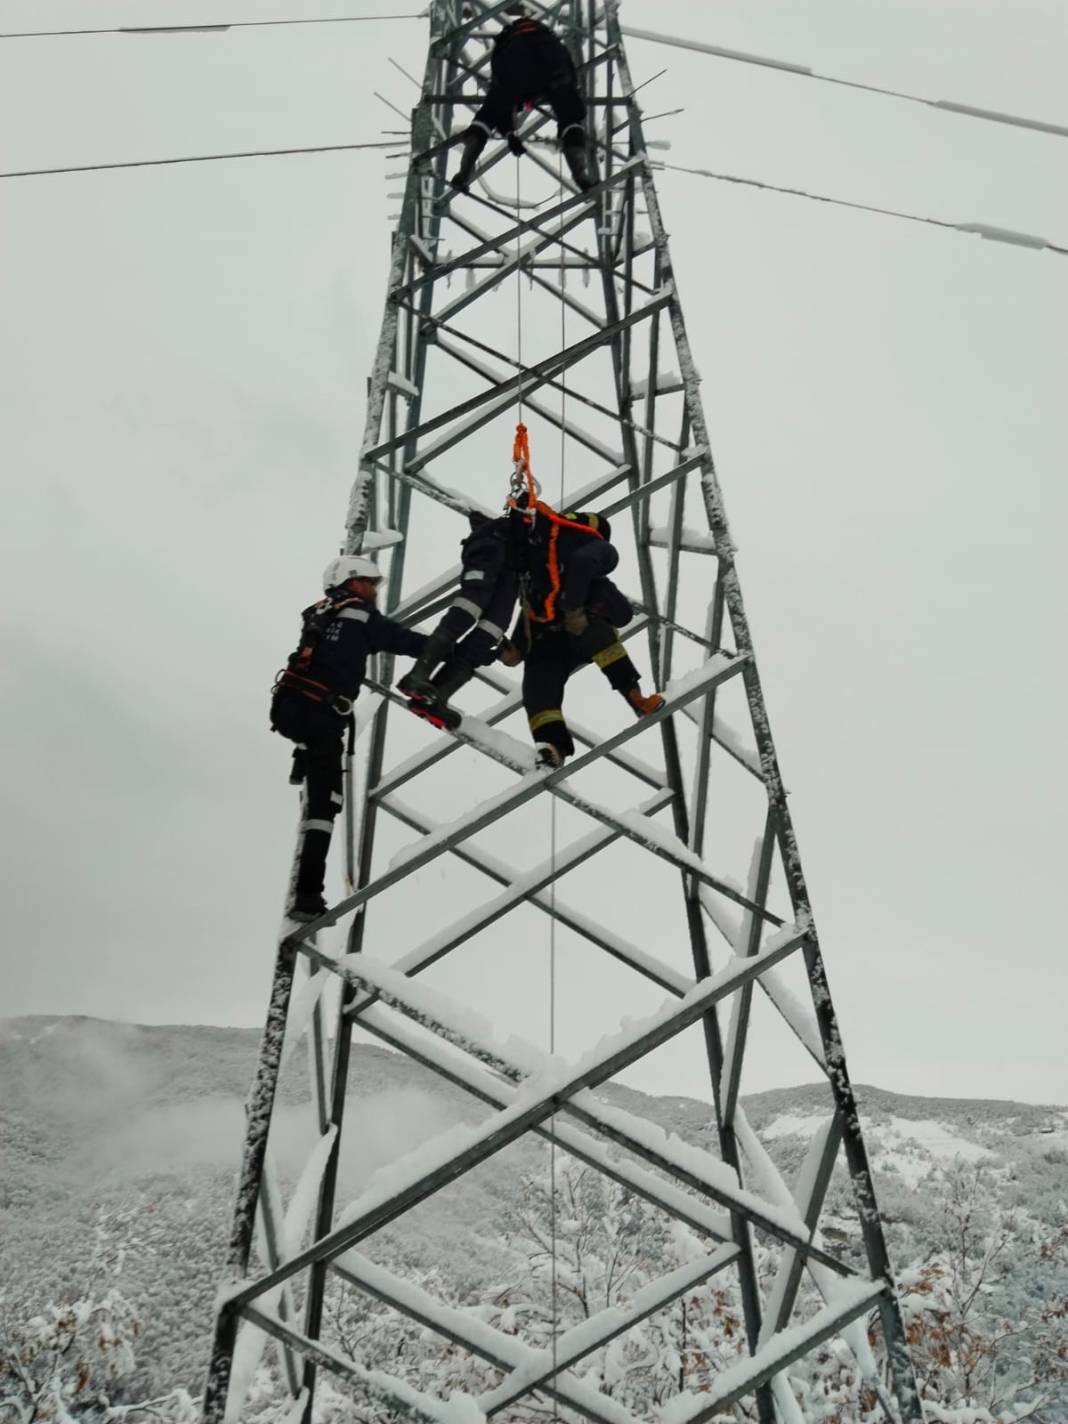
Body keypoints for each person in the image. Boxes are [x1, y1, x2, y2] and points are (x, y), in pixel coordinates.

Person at [270, 555, 428, 921]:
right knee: (325, 806)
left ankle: (303, 758)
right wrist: (450, 646)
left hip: (291, 706)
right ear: (351, 581)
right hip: (321, 712)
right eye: (369, 582)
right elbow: (402, 640)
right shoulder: (358, 615)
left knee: (316, 760)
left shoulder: (320, 614)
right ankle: (306, 896)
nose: (374, 591)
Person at [504, 495, 664, 769]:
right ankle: (553, 746)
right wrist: (516, 646)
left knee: (602, 643)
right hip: (549, 635)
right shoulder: (535, 559)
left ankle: (635, 696)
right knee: (537, 688)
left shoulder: (592, 549)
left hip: (583, 626)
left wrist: (574, 609)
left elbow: (582, 564)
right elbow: (531, 603)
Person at [450, 5, 594, 193]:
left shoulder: (505, 43)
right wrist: (568, 91)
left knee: (489, 113)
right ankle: (580, 174)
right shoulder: (549, 38)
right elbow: (569, 72)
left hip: (515, 58)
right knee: (570, 115)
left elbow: (502, 92)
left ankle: (465, 170)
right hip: (553, 58)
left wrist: (509, 134)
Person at [397, 510, 518, 730]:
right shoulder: (560, 539)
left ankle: (437, 699)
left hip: (512, 572)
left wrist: (500, 652)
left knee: (493, 628)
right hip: (491, 551)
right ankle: (417, 677)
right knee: (470, 606)